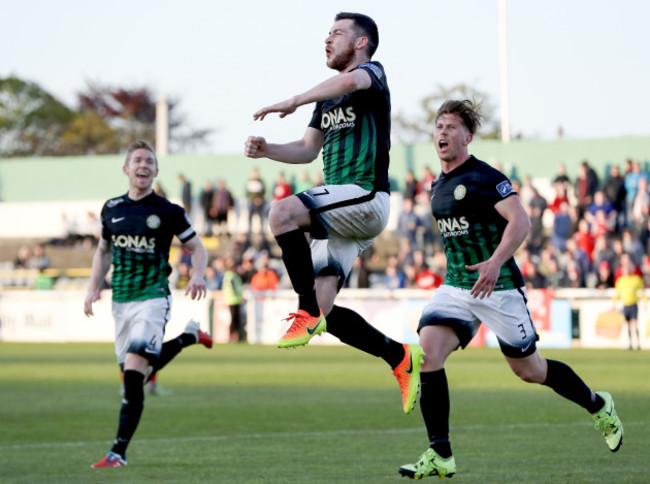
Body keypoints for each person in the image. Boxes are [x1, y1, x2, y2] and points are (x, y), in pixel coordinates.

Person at [398, 100, 623, 480]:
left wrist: (496, 260)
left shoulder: (485, 177)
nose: (442, 132)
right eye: (438, 125)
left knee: (530, 371)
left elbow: (520, 221)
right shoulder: (437, 185)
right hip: (457, 286)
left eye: (452, 126)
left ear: (468, 137)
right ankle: (441, 453)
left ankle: (599, 405)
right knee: (429, 351)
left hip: (498, 287)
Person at [244, 12, 424, 414]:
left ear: (361, 43)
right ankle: (399, 356)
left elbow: (348, 81)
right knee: (325, 310)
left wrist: (293, 99)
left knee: (281, 213)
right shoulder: (326, 97)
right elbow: (308, 150)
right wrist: (268, 149)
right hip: (341, 210)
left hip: (363, 196)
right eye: (327, 33)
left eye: (337, 33)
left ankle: (304, 309)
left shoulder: (372, 73)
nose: (327, 40)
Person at [84, 140, 213, 468]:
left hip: (153, 298)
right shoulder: (111, 209)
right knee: (135, 376)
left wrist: (198, 275)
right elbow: (102, 252)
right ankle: (189, 337)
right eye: (137, 160)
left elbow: (198, 248)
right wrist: (92, 288)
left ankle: (118, 453)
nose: (143, 166)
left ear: (156, 171)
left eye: (149, 162)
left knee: (132, 377)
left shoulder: (169, 211)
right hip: (121, 302)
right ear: (126, 169)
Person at [613, 252, 645, 350]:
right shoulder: (620, 281)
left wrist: (645, 301)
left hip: (633, 304)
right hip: (625, 305)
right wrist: (614, 302)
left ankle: (638, 343)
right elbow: (618, 294)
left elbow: (641, 291)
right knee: (628, 326)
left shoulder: (636, 279)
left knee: (634, 324)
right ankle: (630, 344)